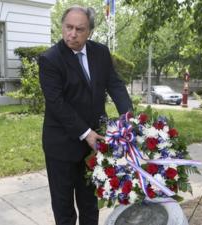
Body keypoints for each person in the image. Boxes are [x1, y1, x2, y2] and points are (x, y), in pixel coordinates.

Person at [38, 5, 133, 225]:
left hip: (94, 146)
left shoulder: (100, 52)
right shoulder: (50, 59)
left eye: (79, 29)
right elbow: (56, 104)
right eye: (68, 27)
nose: (72, 34)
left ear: (89, 30)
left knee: (90, 205)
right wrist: (85, 132)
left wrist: (129, 119)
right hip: (61, 146)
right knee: (64, 210)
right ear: (62, 26)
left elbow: (116, 86)